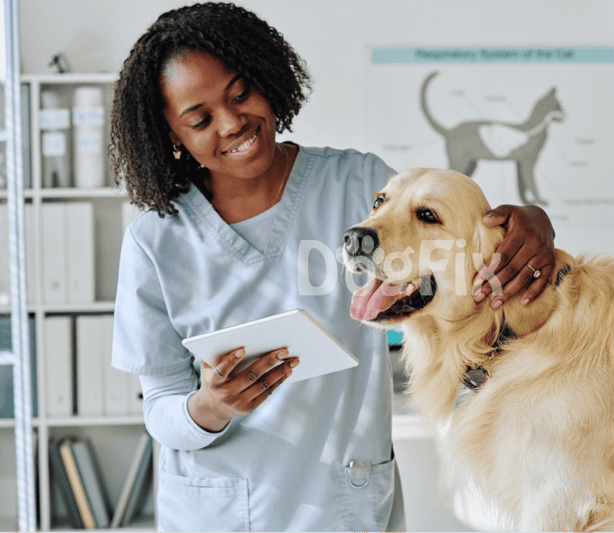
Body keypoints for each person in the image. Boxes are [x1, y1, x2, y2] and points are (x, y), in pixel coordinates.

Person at [109, 2, 556, 531]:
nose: (231, 123)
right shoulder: (155, 241)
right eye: (200, 120)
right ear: (171, 135)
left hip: (343, 505)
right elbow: (161, 408)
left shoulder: (360, 186)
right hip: (219, 511)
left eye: (240, 93)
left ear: (266, 79)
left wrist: (529, 222)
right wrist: (209, 407)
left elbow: (457, 248)